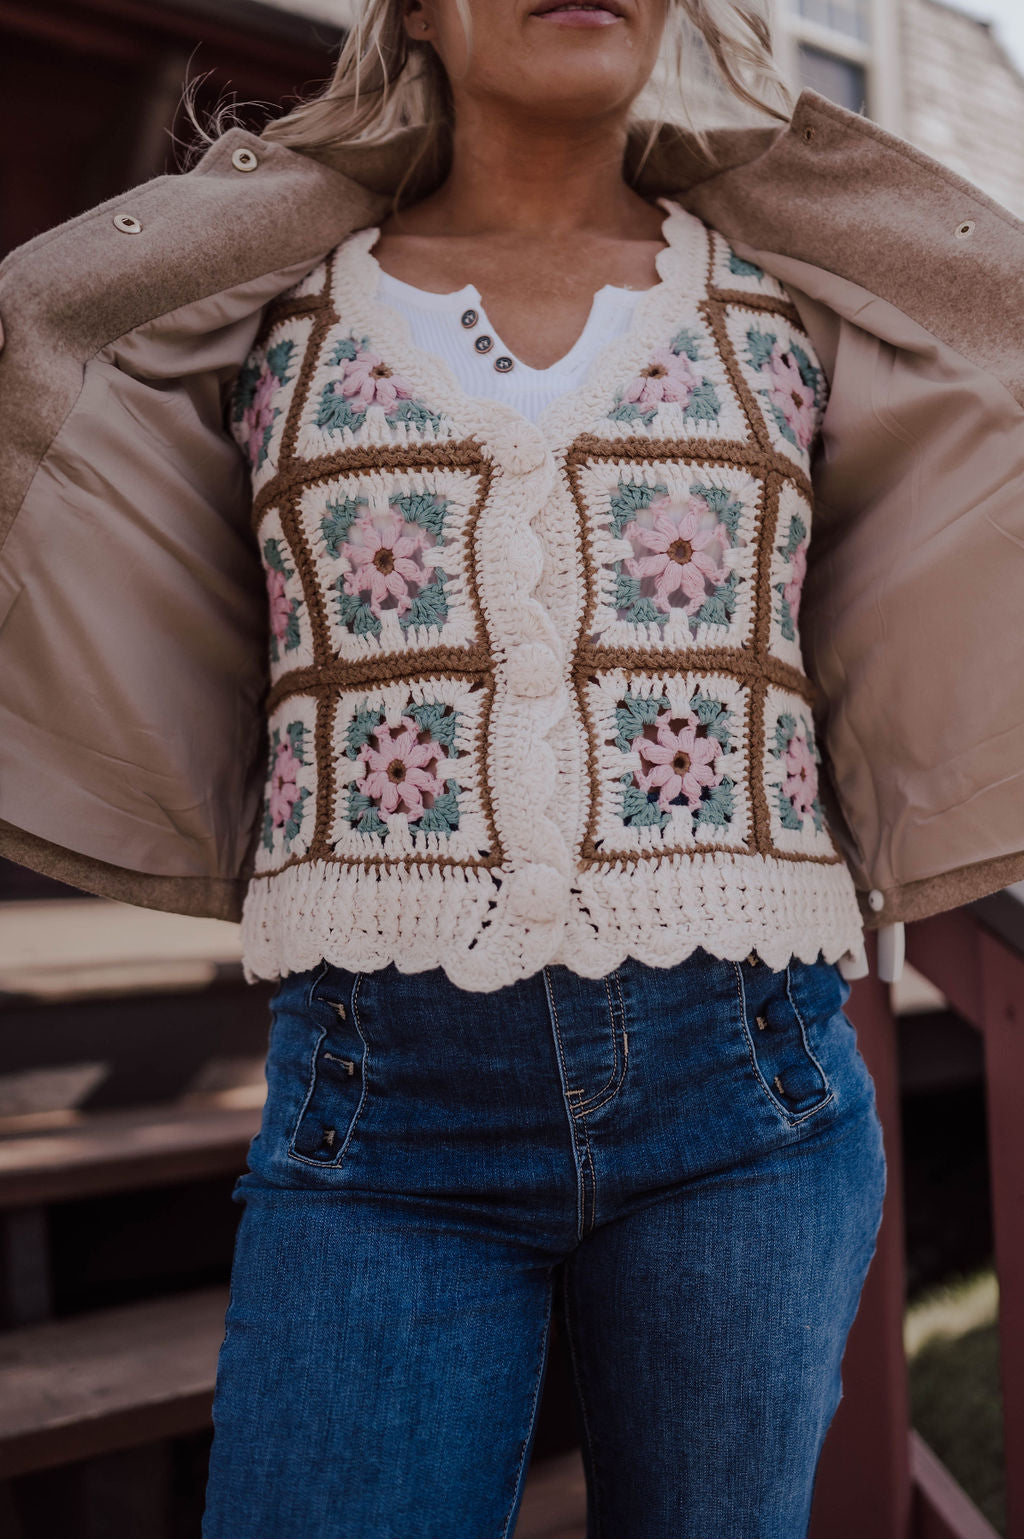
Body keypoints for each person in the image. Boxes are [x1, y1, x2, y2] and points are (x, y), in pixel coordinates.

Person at [1, 0, 1022, 1535]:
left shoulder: (784, 306)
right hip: (378, 1114)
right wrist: (312, 183)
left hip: (750, 1100)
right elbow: (43, 331)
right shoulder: (283, 312)